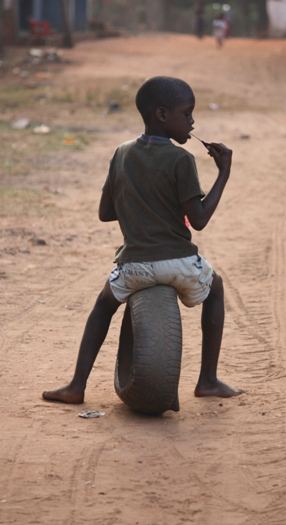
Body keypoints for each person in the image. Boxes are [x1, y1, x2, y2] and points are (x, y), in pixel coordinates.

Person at [42, 76, 243, 405]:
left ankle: (77, 385)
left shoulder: (121, 154)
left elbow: (105, 213)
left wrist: (139, 208)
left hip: (133, 265)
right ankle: (208, 379)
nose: (192, 122)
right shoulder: (182, 160)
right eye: (187, 113)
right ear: (162, 114)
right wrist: (224, 173)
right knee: (216, 288)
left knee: (102, 307)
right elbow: (200, 220)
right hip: (179, 263)